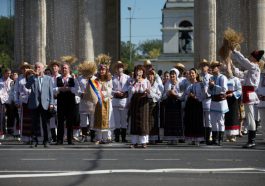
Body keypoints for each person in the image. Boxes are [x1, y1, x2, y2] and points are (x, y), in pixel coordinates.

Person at [231, 49, 264, 148]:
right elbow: (240, 74)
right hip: (248, 92)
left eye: (251, 56)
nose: (249, 58)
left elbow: (243, 60)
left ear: (254, 58)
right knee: (250, 117)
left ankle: (251, 140)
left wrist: (235, 51)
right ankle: (251, 140)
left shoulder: (253, 67)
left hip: (249, 93)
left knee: (250, 118)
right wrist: (232, 66)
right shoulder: (252, 68)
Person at [25, 62, 54, 148]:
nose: (37, 69)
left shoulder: (48, 78)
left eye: (39, 67)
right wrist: (34, 77)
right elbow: (27, 86)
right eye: (36, 67)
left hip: (45, 103)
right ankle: (34, 140)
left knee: (46, 123)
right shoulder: (32, 77)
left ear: (43, 69)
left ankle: (46, 140)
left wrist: (51, 103)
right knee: (34, 123)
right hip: (34, 103)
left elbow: (51, 92)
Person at [55, 63, 80, 145]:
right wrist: (60, 89)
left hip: (70, 102)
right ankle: (59, 140)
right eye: (62, 68)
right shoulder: (58, 78)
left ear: (69, 69)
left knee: (70, 121)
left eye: (65, 68)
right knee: (60, 121)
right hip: (60, 102)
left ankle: (70, 139)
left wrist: (69, 89)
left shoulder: (73, 79)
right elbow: (52, 89)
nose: (64, 69)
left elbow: (77, 90)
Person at [128, 65, 151, 148]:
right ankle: (134, 142)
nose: (139, 72)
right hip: (135, 102)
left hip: (143, 102)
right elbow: (131, 92)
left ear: (143, 72)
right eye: (138, 70)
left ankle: (143, 142)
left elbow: (149, 93)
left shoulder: (146, 81)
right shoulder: (132, 81)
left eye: (141, 70)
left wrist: (146, 91)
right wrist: (135, 82)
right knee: (134, 122)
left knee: (143, 121)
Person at [93, 60, 115, 144]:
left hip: (106, 101)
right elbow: (94, 90)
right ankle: (98, 138)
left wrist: (103, 93)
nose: (102, 71)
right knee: (99, 118)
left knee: (106, 119)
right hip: (98, 101)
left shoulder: (109, 80)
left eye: (103, 70)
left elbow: (110, 91)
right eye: (101, 69)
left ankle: (105, 138)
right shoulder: (96, 80)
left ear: (106, 71)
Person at [208, 61, 229, 146]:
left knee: (220, 121)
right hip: (213, 100)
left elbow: (224, 89)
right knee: (213, 121)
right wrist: (211, 86)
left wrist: (214, 86)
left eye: (214, 67)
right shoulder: (212, 78)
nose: (212, 69)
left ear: (218, 68)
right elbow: (209, 91)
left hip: (220, 101)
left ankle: (220, 138)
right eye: (212, 67)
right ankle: (214, 139)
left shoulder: (222, 77)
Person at [161, 68, 184, 144]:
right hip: (169, 104)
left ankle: (176, 138)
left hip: (177, 103)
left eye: (173, 74)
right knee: (169, 121)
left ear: (176, 75)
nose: (172, 76)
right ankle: (170, 138)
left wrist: (176, 94)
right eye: (171, 74)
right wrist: (168, 93)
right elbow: (163, 95)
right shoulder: (167, 83)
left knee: (176, 121)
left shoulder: (180, 83)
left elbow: (182, 94)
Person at [183, 68, 205, 145]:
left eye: (193, 73)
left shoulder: (200, 84)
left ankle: (197, 139)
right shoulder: (187, 84)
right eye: (190, 73)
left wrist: (195, 97)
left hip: (197, 104)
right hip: (189, 104)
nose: (191, 75)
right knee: (189, 121)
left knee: (197, 121)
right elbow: (184, 95)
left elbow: (203, 95)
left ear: (196, 74)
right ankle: (191, 138)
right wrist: (188, 96)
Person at [14, 62, 32, 144]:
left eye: (26, 67)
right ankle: (24, 138)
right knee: (23, 120)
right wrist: (16, 101)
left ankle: (32, 137)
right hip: (23, 101)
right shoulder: (19, 78)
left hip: (32, 101)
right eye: (23, 68)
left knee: (32, 119)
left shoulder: (32, 77)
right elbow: (16, 91)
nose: (25, 69)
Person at [112, 61, 130, 142]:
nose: (119, 69)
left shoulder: (127, 77)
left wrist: (124, 92)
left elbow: (130, 87)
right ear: (115, 69)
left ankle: (123, 137)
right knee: (116, 120)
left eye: (120, 67)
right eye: (117, 67)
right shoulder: (112, 78)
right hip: (115, 100)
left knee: (123, 120)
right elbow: (110, 89)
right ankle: (116, 137)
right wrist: (116, 92)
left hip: (124, 100)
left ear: (123, 68)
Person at [224, 66, 242, 142]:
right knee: (227, 116)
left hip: (233, 99)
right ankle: (228, 135)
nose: (228, 72)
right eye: (226, 71)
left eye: (229, 70)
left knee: (233, 116)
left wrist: (233, 94)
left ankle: (233, 135)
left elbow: (240, 90)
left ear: (232, 71)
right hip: (226, 98)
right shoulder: (225, 79)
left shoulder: (236, 79)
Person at [147, 69, 163, 144]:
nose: (150, 76)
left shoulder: (157, 84)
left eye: (152, 75)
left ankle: (154, 137)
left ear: (154, 76)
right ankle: (147, 137)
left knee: (154, 121)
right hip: (146, 104)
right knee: (147, 121)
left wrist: (151, 93)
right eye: (149, 75)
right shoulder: (146, 83)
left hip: (154, 104)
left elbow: (159, 96)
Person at [199, 59, 213, 145]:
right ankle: (204, 136)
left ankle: (209, 136)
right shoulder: (199, 76)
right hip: (201, 99)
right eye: (202, 66)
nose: (203, 67)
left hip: (208, 99)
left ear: (207, 67)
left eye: (204, 65)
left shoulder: (210, 76)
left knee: (208, 119)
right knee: (203, 119)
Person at [0, 68, 14, 136]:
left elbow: (12, 91)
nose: (8, 74)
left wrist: (12, 100)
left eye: (9, 73)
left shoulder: (11, 81)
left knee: (10, 115)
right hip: (1, 99)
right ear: (4, 73)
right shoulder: (0, 80)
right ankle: (2, 131)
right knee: (1, 115)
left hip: (9, 99)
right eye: (7, 73)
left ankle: (10, 130)